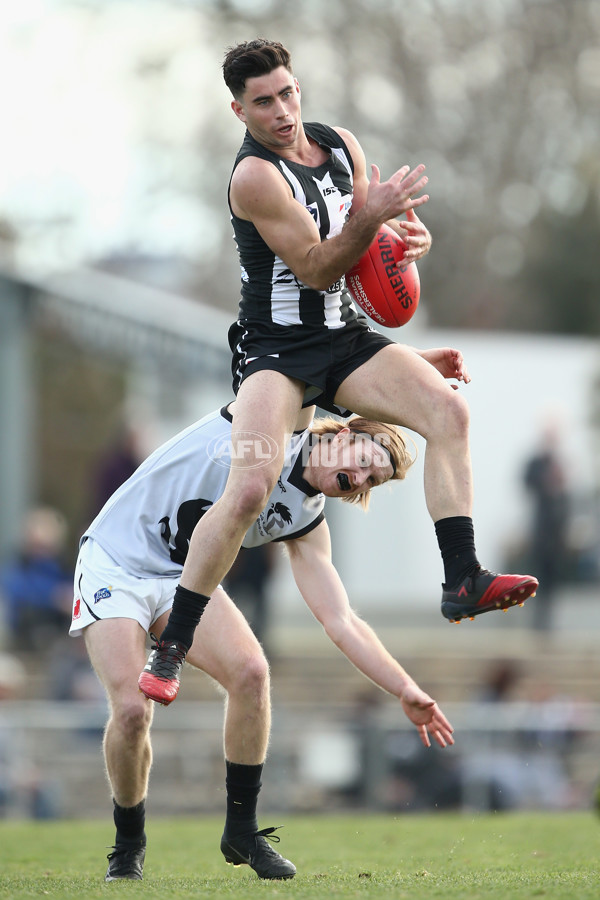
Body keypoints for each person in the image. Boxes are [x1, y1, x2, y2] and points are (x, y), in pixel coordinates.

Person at [140, 37, 538, 709]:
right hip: (277, 351)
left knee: (450, 413)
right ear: (239, 110)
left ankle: (462, 578)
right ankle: (174, 643)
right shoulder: (255, 178)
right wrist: (372, 218)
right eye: (263, 103)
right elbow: (319, 265)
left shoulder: (338, 144)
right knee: (248, 492)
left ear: (299, 89)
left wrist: (411, 242)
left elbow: (371, 253)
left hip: (343, 337)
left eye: (288, 94)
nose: (282, 112)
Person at [71, 401, 455, 881]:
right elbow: (304, 362)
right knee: (130, 712)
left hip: (183, 579)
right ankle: (128, 844)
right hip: (115, 560)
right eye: (362, 462)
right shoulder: (274, 428)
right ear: (345, 432)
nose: (358, 480)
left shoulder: (306, 518)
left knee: (252, 673)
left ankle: (242, 830)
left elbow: (341, 620)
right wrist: (414, 373)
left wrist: (404, 688)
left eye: (371, 480)